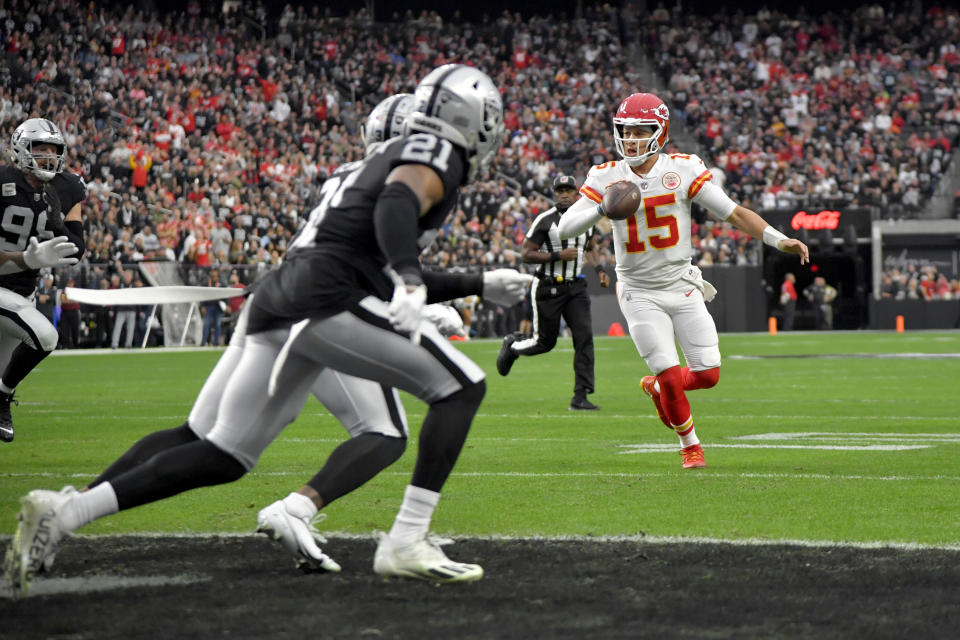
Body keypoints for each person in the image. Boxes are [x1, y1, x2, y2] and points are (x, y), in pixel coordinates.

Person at [4, 66, 516, 595]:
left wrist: (472, 281)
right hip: (323, 302)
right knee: (454, 391)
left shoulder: (354, 173)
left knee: (219, 451)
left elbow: (365, 245)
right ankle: (404, 537)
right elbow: (391, 217)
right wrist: (410, 286)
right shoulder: (431, 157)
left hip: (283, 297)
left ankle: (64, 511)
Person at [558, 93, 809, 468]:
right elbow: (564, 229)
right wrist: (600, 207)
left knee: (708, 374)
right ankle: (690, 445)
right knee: (672, 373)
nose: (631, 140)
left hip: (682, 282)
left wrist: (778, 239)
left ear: (660, 134)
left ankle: (658, 388)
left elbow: (734, 214)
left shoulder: (684, 168)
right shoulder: (607, 175)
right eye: (625, 131)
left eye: (641, 131)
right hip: (640, 291)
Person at [0, 118, 85, 440]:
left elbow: (76, 248)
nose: (48, 156)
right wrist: (25, 259)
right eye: (40, 148)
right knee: (46, 336)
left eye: (54, 149)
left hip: (22, 295)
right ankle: (3, 397)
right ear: (21, 149)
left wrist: (66, 238)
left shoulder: (64, 189)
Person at [496, 175, 609, 411]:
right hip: (548, 286)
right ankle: (513, 346)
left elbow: (590, 247)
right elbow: (526, 254)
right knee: (545, 343)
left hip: (576, 287)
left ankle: (580, 396)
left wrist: (599, 269)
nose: (565, 195)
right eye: (560, 191)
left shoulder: (585, 220)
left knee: (584, 338)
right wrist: (557, 256)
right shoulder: (545, 220)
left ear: (577, 194)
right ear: (555, 194)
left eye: (569, 190)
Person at [110, 269, 137, 349]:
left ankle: (128, 344)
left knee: (130, 328)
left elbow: (138, 299)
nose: (127, 277)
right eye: (126, 276)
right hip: (121, 310)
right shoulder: (120, 286)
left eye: (128, 276)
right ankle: (114, 344)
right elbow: (115, 298)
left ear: (131, 277)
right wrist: (112, 309)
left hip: (131, 310)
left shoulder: (134, 287)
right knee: (117, 327)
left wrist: (139, 311)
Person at [200, 270, 224, 346]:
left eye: (215, 276)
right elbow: (201, 294)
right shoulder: (206, 284)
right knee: (206, 324)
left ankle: (216, 342)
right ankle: (204, 342)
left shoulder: (221, 284)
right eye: (212, 276)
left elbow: (226, 294)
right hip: (208, 306)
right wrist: (202, 306)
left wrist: (227, 305)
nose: (214, 277)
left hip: (218, 307)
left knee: (218, 324)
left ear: (218, 276)